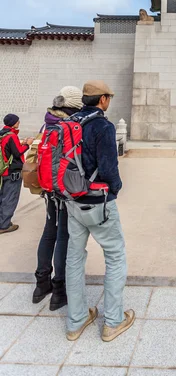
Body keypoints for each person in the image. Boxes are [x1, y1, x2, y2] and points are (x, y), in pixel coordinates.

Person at [65, 80, 134, 343]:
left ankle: (76, 320)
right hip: (98, 202)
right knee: (115, 256)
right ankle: (113, 321)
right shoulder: (103, 126)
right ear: (103, 99)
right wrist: (115, 188)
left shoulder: (69, 124)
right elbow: (108, 167)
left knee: (74, 258)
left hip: (72, 201)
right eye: (109, 97)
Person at [31, 86, 83, 310]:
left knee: (48, 233)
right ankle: (59, 290)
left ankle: (41, 285)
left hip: (47, 190)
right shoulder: (71, 126)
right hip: (64, 191)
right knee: (64, 237)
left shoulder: (47, 123)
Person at [0, 114, 33, 234]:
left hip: (2, 170)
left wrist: (21, 143)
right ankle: (4, 225)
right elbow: (18, 152)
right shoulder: (11, 136)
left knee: (2, 196)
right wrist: (27, 144)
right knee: (10, 198)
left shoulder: (2, 134)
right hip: (12, 172)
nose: (19, 122)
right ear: (13, 123)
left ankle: (1, 221)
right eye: (18, 121)